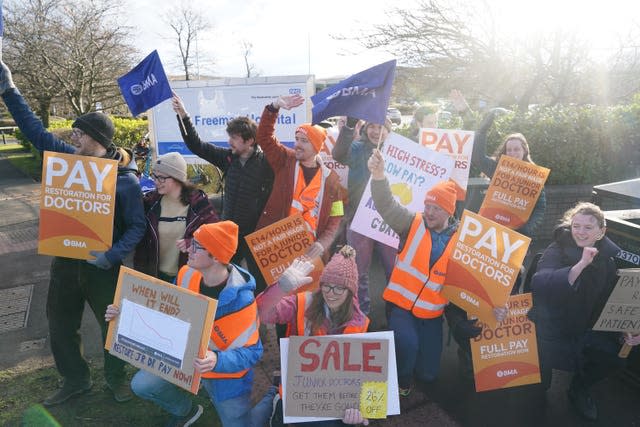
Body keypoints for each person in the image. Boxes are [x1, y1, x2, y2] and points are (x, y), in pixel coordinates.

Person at [0, 61, 146, 405]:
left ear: (96, 139)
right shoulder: (71, 160)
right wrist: (9, 90)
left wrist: (110, 256)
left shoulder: (125, 181)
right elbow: (36, 132)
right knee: (60, 326)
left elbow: (137, 226)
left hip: (104, 268)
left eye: (79, 133)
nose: (72, 136)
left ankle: (116, 378)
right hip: (66, 262)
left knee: (114, 327)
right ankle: (76, 380)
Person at [107, 221, 263, 426]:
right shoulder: (186, 273)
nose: (188, 248)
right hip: (180, 358)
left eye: (197, 246)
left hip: (223, 374)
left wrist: (216, 360)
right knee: (142, 384)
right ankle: (186, 411)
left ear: (216, 257)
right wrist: (124, 313)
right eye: (192, 242)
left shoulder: (243, 302)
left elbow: (253, 353)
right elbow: (163, 309)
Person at [529, 202, 640, 420]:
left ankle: (579, 388)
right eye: (576, 225)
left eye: (588, 227)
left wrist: (624, 330)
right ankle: (539, 391)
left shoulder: (608, 260)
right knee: (539, 376)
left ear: (601, 231)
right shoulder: (557, 248)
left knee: (615, 360)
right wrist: (580, 265)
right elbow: (540, 283)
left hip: (585, 329)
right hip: (552, 327)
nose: (580, 232)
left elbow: (610, 300)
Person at [367, 149, 459, 396]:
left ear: (449, 212)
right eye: (427, 205)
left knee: (428, 375)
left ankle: (410, 364)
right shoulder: (412, 223)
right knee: (407, 345)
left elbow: (480, 275)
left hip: (431, 314)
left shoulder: (463, 239)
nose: (429, 212)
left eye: (436, 208)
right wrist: (379, 176)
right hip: (402, 307)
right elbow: (387, 205)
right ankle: (402, 380)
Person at [254, 245, 370, 426]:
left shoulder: (360, 322)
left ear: (351, 292)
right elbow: (261, 313)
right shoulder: (302, 302)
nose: (331, 294)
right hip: (296, 389)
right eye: (327, 286)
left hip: (332, 395)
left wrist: (361, 412)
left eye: (340, 288)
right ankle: (276, 397)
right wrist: (281, 288)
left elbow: (364, 375)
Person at [172, 93, 274, 293]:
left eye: (234, 138)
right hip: (228, 233)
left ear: (250, 140)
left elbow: (289, 169)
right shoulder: (229, 158)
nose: (229, 142)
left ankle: (254, 318)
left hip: (254, 235)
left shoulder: (266, 164)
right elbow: (196, 145)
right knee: (219, 280)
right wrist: (183, 115)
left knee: (260, 284)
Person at [255, 94, 347, 260]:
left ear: (317, 146)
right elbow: (264, 138)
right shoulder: (285, 160)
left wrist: (323, 243)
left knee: (302, 287)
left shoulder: (333, 181)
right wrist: (274, 107)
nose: (297, 144)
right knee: (270, 287)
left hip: (309, 251)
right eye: (296, 139)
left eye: (304, 140)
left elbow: (336, 217)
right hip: (275, 246)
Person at [332, 117, 396, 316]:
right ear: (367, 128)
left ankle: (395, 316)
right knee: (359, 273)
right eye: (373, 127)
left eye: (381, 128)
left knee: (394, 273)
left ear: (389, 130)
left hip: (390, 222)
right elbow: (339, 154)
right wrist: (350, 127)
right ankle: (362, 317)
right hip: (360, 218)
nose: (377, 132)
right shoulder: (358, 148)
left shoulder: (397, 151)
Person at [133, 151, 219, 283]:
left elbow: (215, 236)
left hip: (187, 278)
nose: (156, 182)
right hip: (153, 277)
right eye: (154, 176)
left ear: (177, 178)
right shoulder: (149, 203)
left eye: (161, 178)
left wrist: (192, 243)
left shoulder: (199, 204)